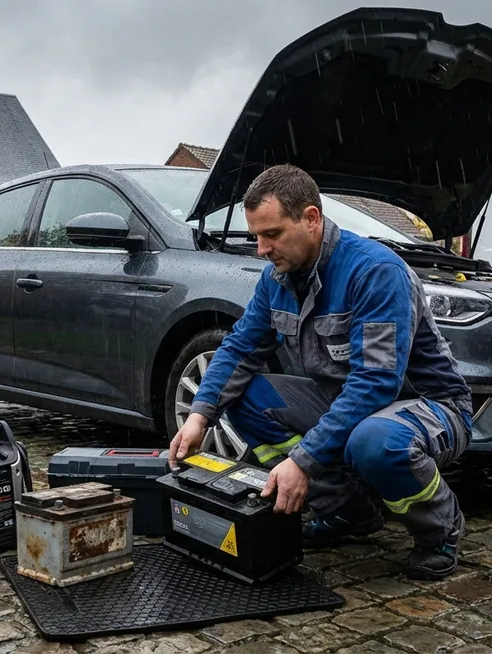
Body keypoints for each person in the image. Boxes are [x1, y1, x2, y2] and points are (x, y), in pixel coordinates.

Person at [168, 164, 474, 580]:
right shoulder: (277, 278)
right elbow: (241, 347)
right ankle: (347, 512)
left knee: (375, 441)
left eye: (272, 234)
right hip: (344, 400)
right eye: (256, 236)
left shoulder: (374, 272)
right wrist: (200, 414)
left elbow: (377, 382)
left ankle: (440, 530)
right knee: (245, 399)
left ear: (311, 219)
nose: (261, 249)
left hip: (425, 407)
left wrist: (301, 461)